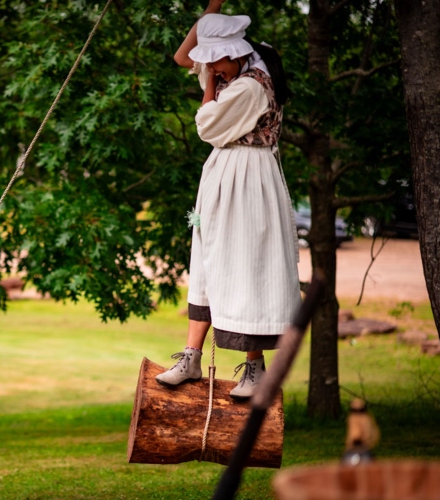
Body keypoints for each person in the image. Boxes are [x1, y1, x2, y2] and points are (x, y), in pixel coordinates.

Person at [155, 1, 301, 399]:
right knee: (207, 261)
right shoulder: (230, 65)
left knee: (248, 265)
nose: (211, 70)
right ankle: (191, 356)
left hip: (250, 178)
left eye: (216, 63)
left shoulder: (251, 84)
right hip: (221, 177)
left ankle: (255, 369)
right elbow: (182, 56)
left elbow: (205, 124)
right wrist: (211, 10)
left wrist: (208, 85)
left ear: (234, 53)